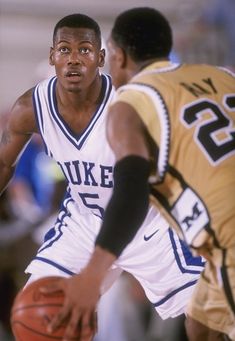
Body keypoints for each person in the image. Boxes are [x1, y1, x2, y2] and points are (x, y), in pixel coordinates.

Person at [0, 13, 205, 341]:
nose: (74, 59)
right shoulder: (31, 108)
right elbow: (4, 165)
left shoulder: (129, 103)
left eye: (84, 50)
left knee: (205, 322)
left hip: (150, 226)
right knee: (37, 311)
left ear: (100, 57)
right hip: (85, 223)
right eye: (65, 50)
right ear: (52, 55)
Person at [40, 7, 235, 341]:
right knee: (201, 326)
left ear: (116, 57)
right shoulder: (222, 76)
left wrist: (94, 272)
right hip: (212, 245)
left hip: (227, 242)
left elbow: (130, 191)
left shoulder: (131, 103)